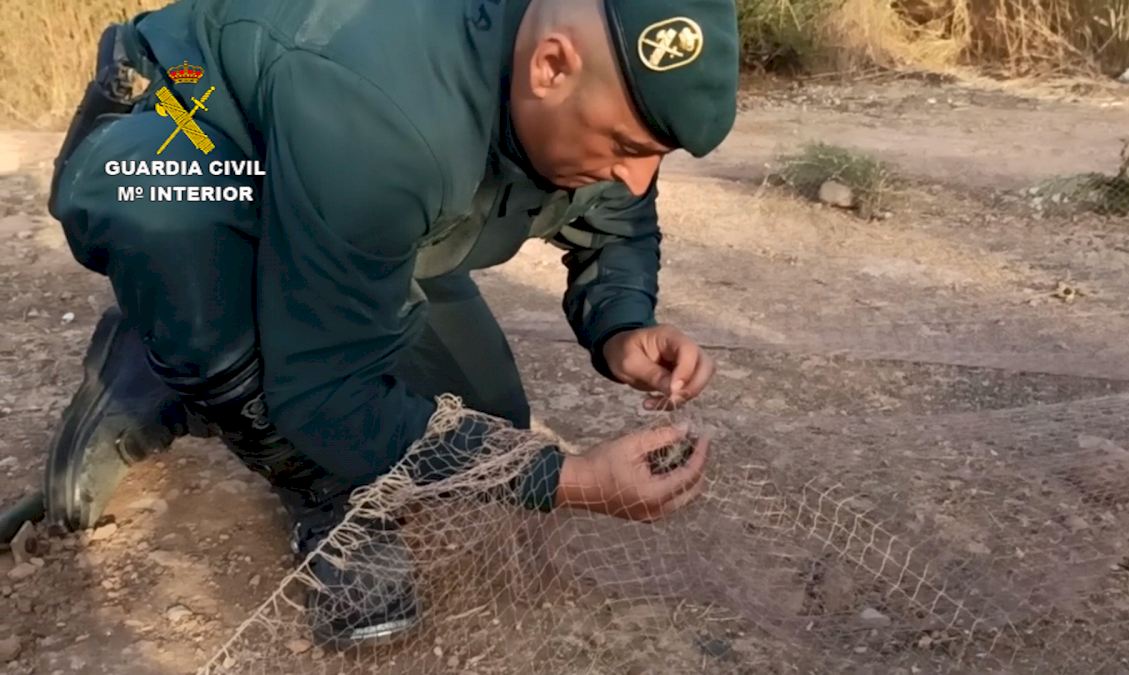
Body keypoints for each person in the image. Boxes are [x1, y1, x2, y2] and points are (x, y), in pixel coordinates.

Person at [44, 0, 738, 648]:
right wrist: (570, 478)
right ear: (551, 66)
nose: (639, 177)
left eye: (654, 153)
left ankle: (208, 338)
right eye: (623, 145)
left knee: (487, 420)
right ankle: (272, 441)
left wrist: (622, 325)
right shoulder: (387, 113)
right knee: (186, 240)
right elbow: (328, 396)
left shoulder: (592, 90)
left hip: (343, 190)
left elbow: (621, 220)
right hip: (188, 120)